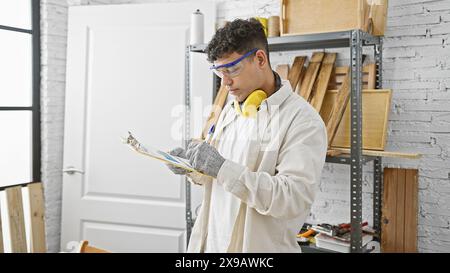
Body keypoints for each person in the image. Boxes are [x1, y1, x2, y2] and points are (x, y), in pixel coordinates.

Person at [166, 18, 327, 252]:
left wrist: (220, 167)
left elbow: (292, 198)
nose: (226, 83)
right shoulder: (232, 109)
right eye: (220, 72)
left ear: (260, 59)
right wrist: (193, 168)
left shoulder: (303, 120)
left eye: (232, 69)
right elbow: (219, 175)